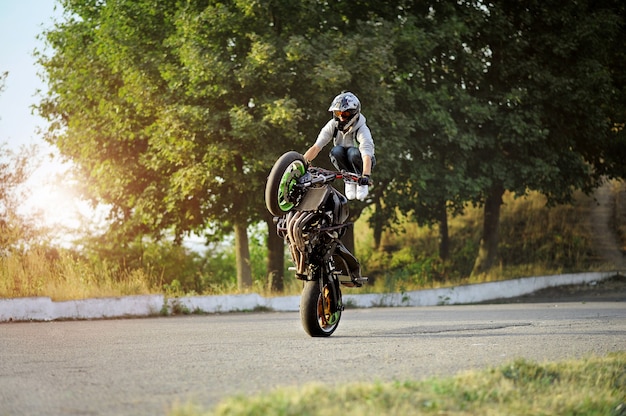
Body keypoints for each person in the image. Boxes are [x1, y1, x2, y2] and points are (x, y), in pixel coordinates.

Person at [303, 91, 376, 201]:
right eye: (338, 113)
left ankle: (360, 184)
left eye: (345, 114)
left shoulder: (362, 129)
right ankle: (348, 180)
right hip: (345, 161)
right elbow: (316, 147)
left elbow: (366, 155)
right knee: (335, 151)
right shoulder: (332, 125)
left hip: (364, 163)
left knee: (352, 152)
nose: (341, 118)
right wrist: (302, 163)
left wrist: (365, 176)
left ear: (353, 113)